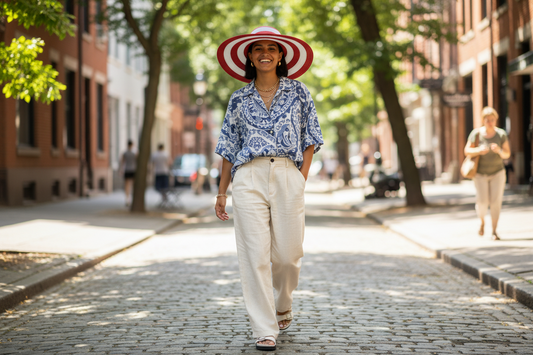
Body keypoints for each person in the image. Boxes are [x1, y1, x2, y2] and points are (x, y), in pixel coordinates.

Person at [214, 27, 323, 351]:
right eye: (258, 48)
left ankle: (283, 302)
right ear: (249, 56)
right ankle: (264, 328)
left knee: (288, 256)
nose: (265, 53)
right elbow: (228, 148)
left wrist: (300, 178)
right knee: (254, 256)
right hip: (248, 177)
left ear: (281, 55)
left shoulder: (299, 92)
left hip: (288, 174)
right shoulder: (238, 98)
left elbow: (311, 138)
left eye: (272, 48)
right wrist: (222, 192)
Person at [464, 107, 511, 240]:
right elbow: (467, 151)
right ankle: (482, 221)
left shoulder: (501, 134)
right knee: (483, 201)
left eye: (492, 120)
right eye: (487, 120)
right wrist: (479, 150)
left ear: (495, 120)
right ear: (483, 120)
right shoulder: (476, 134)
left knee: (496, 201)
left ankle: (494, 231)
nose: (490, 122)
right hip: (480, 174)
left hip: (497, 172)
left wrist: (499, 151)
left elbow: (507, 154)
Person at [120, 140, 136, 206]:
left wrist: (121, 170)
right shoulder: (135, 153)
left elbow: (122, 162)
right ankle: (131, 199)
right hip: (133, 170)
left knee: (127, 185)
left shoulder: (125, 153)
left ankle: (127, 199)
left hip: (127, 170)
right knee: (132, 185)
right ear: (132, 145)